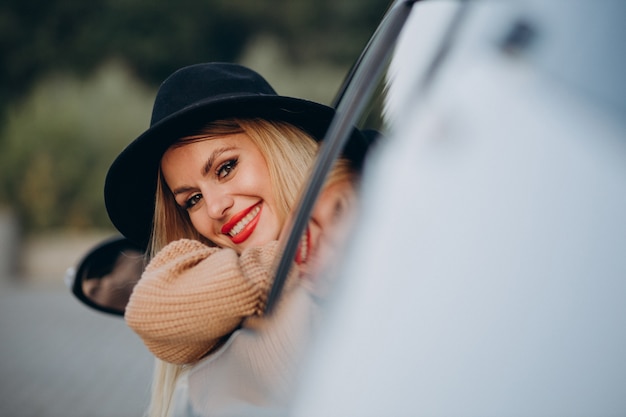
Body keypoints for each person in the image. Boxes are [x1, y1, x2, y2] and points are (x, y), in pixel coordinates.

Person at [103, 63, 370, 417]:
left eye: (225, 167)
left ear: (277, 144)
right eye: (191, 200)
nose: (215, 207)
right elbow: (150, 309)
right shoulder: (230, 289)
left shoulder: (373, 210)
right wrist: (287, 257)